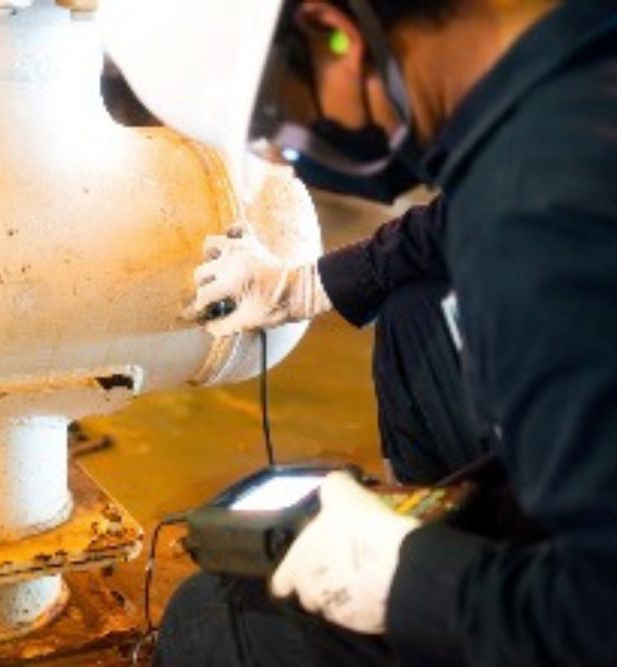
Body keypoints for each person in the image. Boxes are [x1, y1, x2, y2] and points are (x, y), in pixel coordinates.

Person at [103, 0, 617, 665]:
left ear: (333, 33)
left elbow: (596, 615)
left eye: (279, 129)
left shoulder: (534, 218)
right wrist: (303, 286)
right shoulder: (568, 63)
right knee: (414, 313)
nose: (290, 158)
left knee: (216, 622)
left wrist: (409, 581)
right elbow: (447, 222)